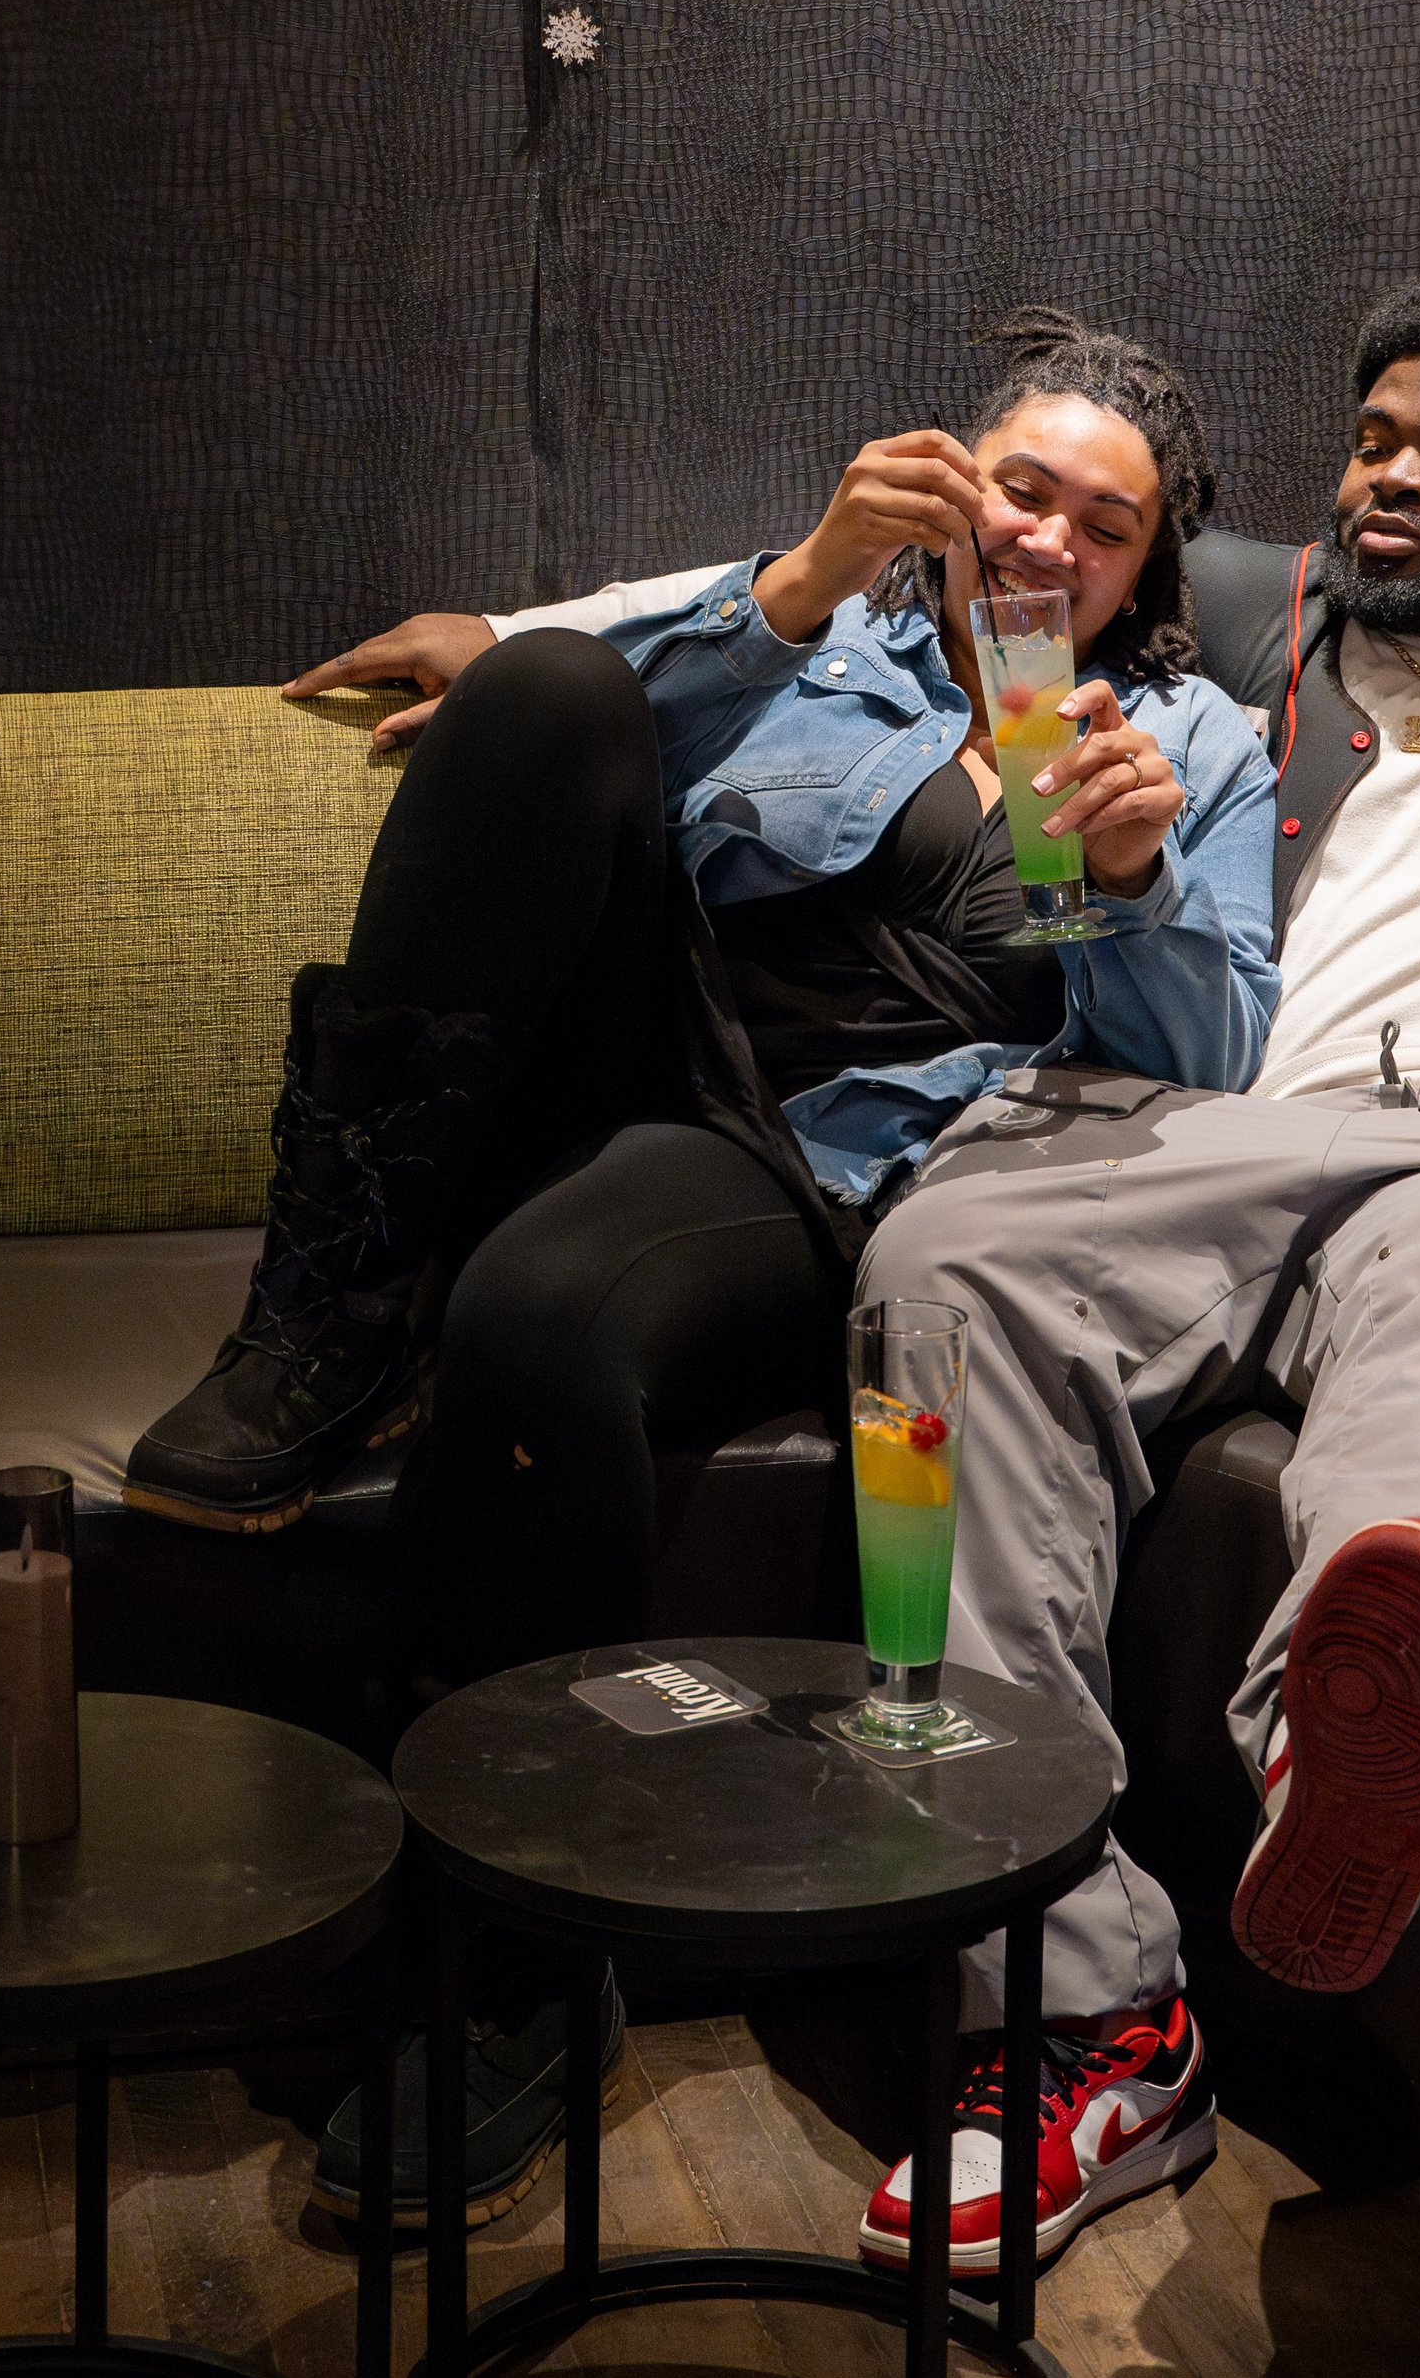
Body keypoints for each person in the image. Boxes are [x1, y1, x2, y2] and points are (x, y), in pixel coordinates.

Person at [389, 263, 1420, 2288]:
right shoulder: (1267, 630)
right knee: (954, 1249)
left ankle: (1357, 1741)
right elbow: (972, 552)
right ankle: (1076, 2004)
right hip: (1228, 1144)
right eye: (1371, 438)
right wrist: (521, 637)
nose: (1388, 479)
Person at [123, 310, 1279, 2229]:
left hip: (807, 1165)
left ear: (1151, 567)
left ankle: (524, 1975)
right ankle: (321, 1301)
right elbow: (538, 737)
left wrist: (1142, 884)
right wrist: (795, 585)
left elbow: (1212, 1058)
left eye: (1110, 520)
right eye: (1023, 485)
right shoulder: (824, 632)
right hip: (616, 1044)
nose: (1051, 537)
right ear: (947, 485)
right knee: (560, 688)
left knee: (542, 1322)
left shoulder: (1183, 744)